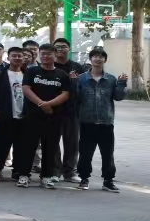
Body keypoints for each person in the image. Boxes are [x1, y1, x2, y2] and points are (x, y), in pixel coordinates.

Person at [18, 43, 71, 189]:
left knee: (50, 147)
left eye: (49, 54)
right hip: (32, 116)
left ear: (55, 55)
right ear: (39, 55)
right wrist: (41, 104)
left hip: (53, 116)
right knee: (28, 146)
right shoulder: (32, 71)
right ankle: (24, 175)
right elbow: (26, 89)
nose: (46, 56)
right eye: (43, 54)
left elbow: (66, 94)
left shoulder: (62, 75)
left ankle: (46, 176)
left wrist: (50, 104)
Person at [73, 47, 125, 192]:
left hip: (106, 122)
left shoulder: (111, 79)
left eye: (101, 57)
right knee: (85, 153)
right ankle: (84, 179)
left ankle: (108, 181)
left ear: (105, 60)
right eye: (95, 56)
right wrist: (73, 83)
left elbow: (118, 97)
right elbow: (75, 98)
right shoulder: (81, 78)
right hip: (87, 121)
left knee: (107, 154)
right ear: (90, 59)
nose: (98, 59)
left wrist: (121, 84)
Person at [0, 46, 27, 181]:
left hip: (24, 115)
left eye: (19, 56)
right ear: (8, 57)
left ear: (23, 58)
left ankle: (18, 170)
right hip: (6, 114)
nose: (17, 58)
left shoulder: (28, 74)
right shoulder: (0, 74)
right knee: (2, 143)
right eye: (14, 55)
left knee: (21, 145)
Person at [52, 37, 83, 183]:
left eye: (63, 46)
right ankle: (55, 171)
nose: (60, 49)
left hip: (72, 111)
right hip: (53, 110)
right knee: (53, 142)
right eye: (57, 47)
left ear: (69, 49)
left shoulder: (77, 67)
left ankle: (70, 172)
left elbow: (83, 88)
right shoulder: (50, 66)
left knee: (72, 143)